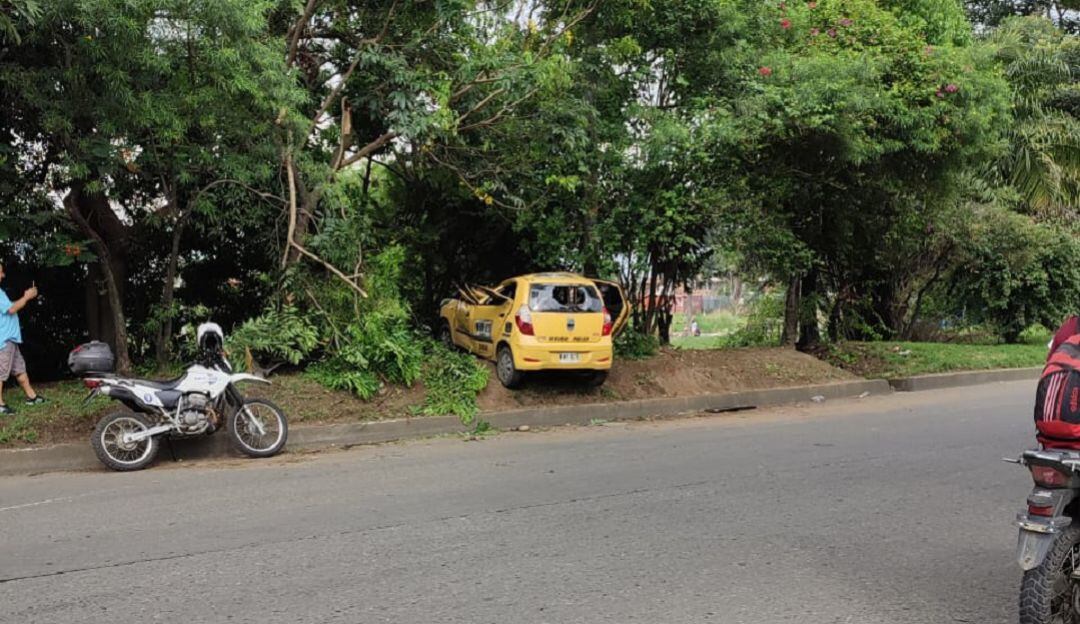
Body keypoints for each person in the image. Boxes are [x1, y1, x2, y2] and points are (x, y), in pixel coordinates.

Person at [0, 262, 44, 415]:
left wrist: (24, 298)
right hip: (4, 340)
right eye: (0, 272)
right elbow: (12, 309)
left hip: (10, 339)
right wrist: (26, 297)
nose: (3, 275)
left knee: (19, 369)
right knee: (1, 372)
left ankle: (32, 397)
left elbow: (9, 306)